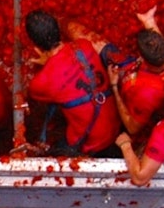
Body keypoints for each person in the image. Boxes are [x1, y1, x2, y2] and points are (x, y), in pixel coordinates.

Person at [22, 10, 121, 156]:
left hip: (92, 144)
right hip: (116, 128)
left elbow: (36, 95)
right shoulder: (84, 45)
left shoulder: (42, 82)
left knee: (51, 149)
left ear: (37, 47)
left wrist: (48, 63)